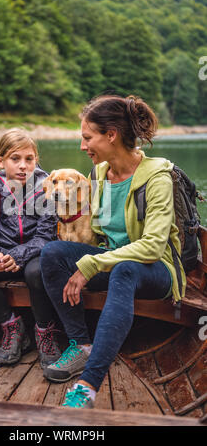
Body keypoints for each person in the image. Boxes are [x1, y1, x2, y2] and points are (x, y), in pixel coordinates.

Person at [40, 94, 186, 409]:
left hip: (155, 269)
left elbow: (151, 247)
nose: (83, 146)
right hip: (111, 260)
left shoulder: (158, 177)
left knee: (125, 269)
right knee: (52, 253)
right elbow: (97, 229)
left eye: (87, 137)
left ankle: (87, 387)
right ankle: (80, 345)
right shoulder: (99, 175)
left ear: (111, 135)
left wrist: (91, 264)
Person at [0, 129, 61, 369]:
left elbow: (45, 236)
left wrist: (17, 256)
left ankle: (44, 332)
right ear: (1, 161)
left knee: (36, 272)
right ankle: (12, 326)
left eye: (29, 159)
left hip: (33, 256)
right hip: (2, 255)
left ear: (36, 159)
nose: (23, 166)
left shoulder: (46, 187)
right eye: (15, 159)